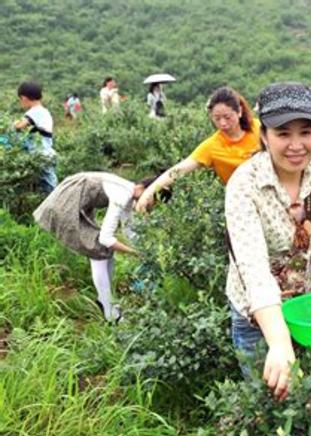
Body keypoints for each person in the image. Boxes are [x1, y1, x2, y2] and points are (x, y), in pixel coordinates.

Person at [225, 82, 311, 400]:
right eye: (283, 133)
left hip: (306, 307)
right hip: (256, 314)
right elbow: (253, 269)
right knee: (265, 401)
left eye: (306, 132)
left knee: (308, 396)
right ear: (264, 136)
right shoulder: (244, 185)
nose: (296, 145)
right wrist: (279, 342)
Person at [33, 172, 164, 322]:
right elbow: (106, 238)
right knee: (99, 247)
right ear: (145, 190)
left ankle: (105, 301)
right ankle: (109, 313)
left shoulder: (128, 192)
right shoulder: (122, 194)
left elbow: (129, 230)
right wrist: (134, 252)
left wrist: (146, 251)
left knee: (105, 251)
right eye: (153, 201)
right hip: (63, 205)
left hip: (74, 203)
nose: (150, 207)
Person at [135, 87, 260, 211]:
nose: (222, 123)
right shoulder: (212, 146)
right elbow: (178, 170)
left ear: (239, 112)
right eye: (217, 118)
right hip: (244, 204)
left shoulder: (258, 128)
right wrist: (148, 193)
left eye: (227, 117)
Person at [13, 81, 57, 193]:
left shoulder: (35, 112)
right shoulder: (44, 111)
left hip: (41, 155)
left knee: (50, 187)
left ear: (24, 98)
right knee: (47, 183)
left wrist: (13, 124)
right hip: (46, 154)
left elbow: (20, 126)